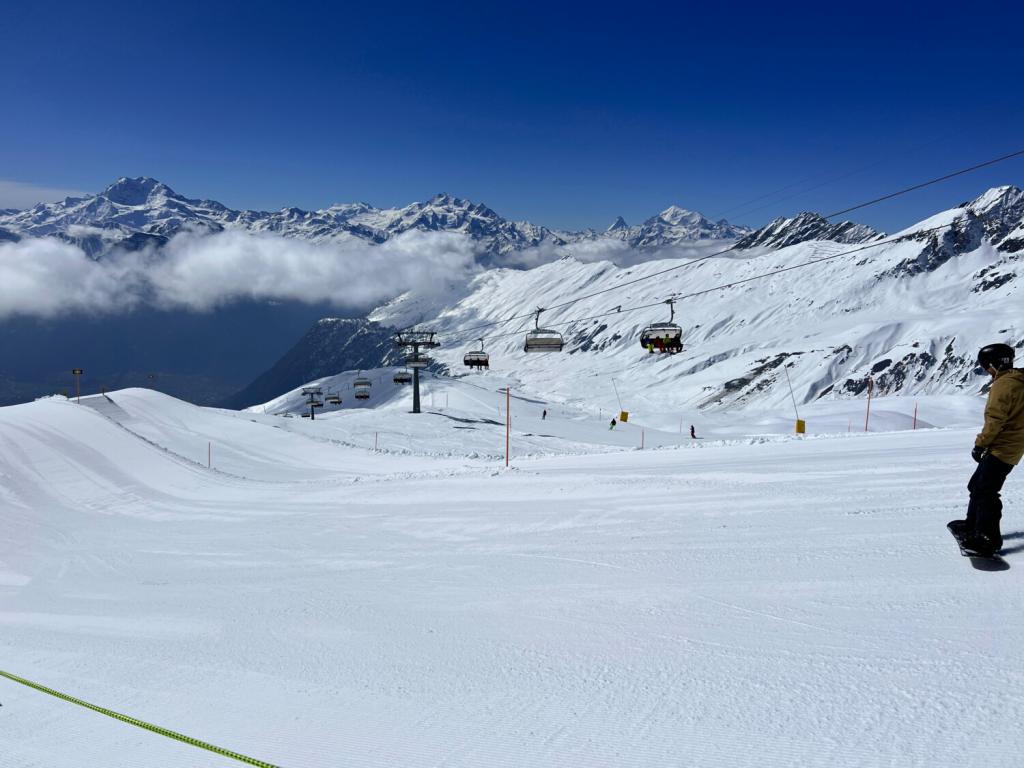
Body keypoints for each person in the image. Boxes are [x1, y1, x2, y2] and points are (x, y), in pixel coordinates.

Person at [950, 343, 1024, 556]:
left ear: (993, 365)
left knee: (986, 491)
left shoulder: (1004, 385)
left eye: (986, 368)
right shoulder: (1017, 380)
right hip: (1011, 444)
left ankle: (988, 539)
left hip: (1003, 447)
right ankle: (972, 525)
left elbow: (994, 420)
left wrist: (980, 444)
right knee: (977, 485)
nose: (986, 372)